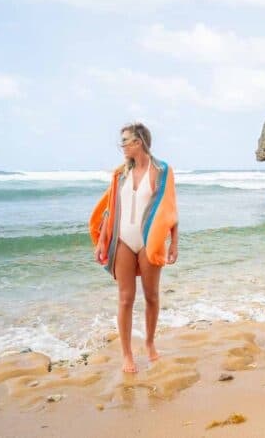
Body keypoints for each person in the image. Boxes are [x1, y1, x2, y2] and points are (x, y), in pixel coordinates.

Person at [89, 122, 179, 373]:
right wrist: (101, 240)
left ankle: (149, 343)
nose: (122, 147)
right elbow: (110, 209)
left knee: (151, 295)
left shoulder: (162, 171)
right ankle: (127, 354)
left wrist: (174, 243)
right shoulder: (120, 174)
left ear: (138, 142)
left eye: (125, 141)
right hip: (123, 239)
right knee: (126, 298)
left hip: (149, 239)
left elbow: (170, 209)